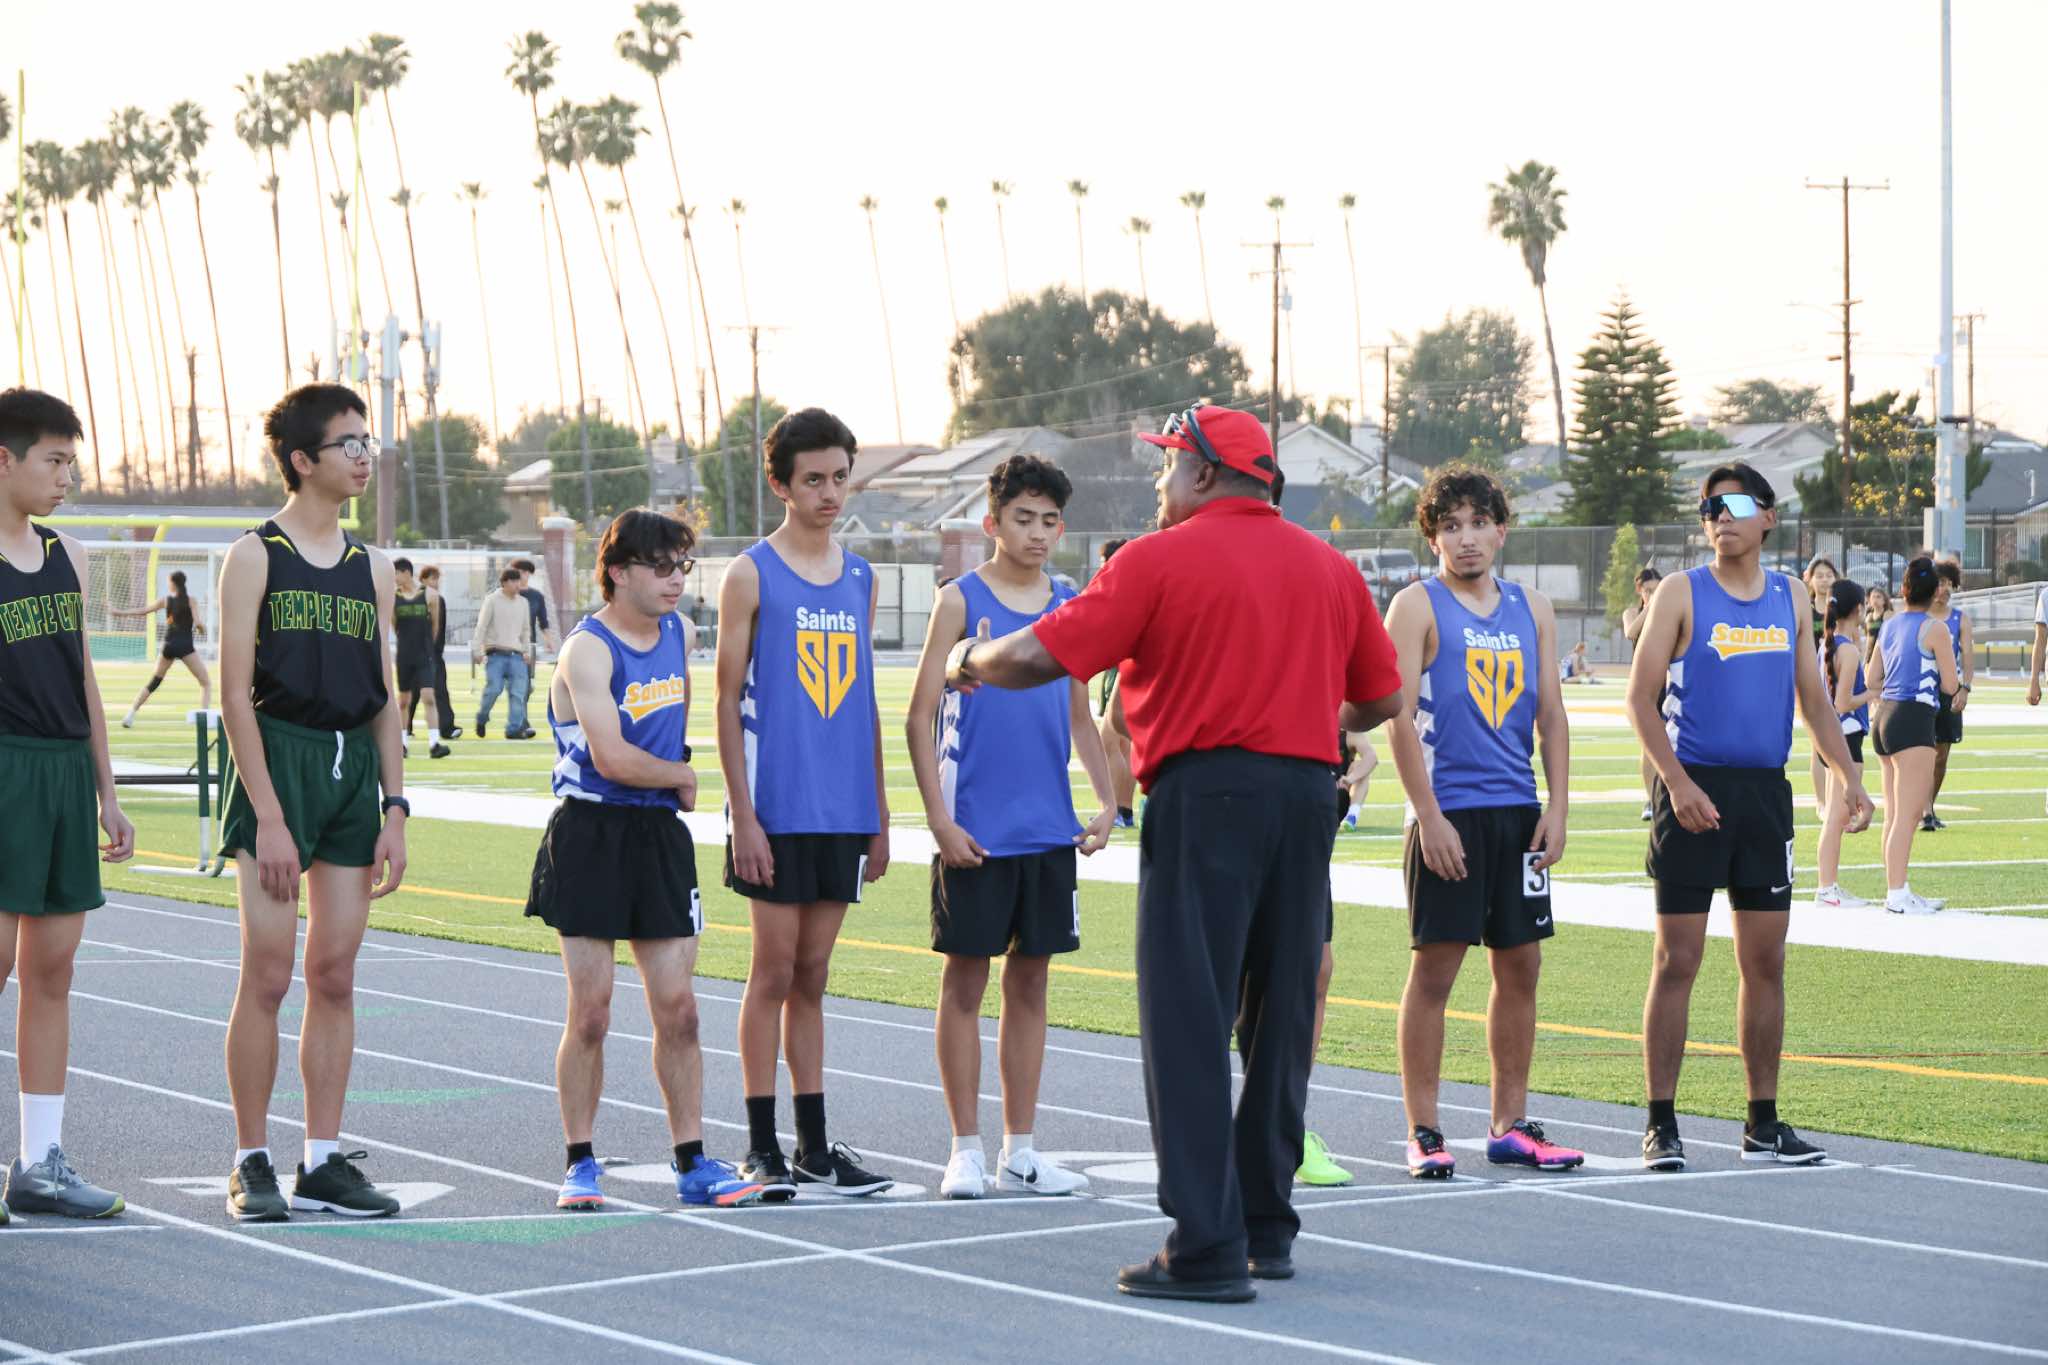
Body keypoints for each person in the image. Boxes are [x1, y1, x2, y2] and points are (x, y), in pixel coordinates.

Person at [945, 404, 1402, 1304]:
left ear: (1201, 471)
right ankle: (1265, 1225)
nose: (1160, 482)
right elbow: (1380, 698)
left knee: (1190, 1016)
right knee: (1280, 1014)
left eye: (1167, 465)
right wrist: (1308, 717)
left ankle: (1205, 1245)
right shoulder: (1330, 566)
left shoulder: (1155, 559)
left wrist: (969, 656)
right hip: (1306, 797)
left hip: (1206, 796)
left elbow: (1039, 657)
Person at [1626, 463, 1872, 1172]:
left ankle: (1762, 1122)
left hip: (1765, 796)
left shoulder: (1791, 595)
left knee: (1765, 961)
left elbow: (1813, 698)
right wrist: (1676, 784)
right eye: (1709, 508)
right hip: (1693, 792)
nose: (1719, 517)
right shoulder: (1680, 592)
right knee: (1677, 960)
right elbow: (1640, 699)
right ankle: (1661, 1122)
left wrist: (1850, 777)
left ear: (1768, 516)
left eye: (1733, 504)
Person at [527, 508, 766, 1213]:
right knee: (591, 1012)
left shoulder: (680, 633)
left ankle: (692, 1160)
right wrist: (681, 776)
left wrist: (673, 778)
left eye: (681, 566)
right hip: (591, 832)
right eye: (660, 567)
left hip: (657, 837)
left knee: (681, 1010)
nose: (675, 579)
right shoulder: (588, 650)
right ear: (617, 571)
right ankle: (579, 1161)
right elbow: (610, 757)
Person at [216, 383, 408, 1222]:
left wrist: (396, 806)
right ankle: (250, 1159)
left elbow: (385, 697)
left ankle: (322, 1160)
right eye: (348, 443)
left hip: (350, 771)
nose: (365, 455)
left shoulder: (373, 568)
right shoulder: (255, 555)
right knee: (267, 971)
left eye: (369, 441)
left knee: (333, 972)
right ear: (302, 459)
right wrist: (268, 814)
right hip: (280, 762)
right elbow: (233, 694)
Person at [905, 454, 1115, 1200]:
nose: (1036, 532)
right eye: (1022, 518)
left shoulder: (1069, 601)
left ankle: (1019, 1150)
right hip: (976, 832)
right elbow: (918, 716)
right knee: (964, 983)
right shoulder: (958, 600)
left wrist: (1107, 800)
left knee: (1031, 985)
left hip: (1047, 832)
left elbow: (1081, 715)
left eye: (1049, 520)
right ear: (992, 522)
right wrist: (939, 822)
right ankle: (964, 1149)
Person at [1383, 467, 1580, 1180]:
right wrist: (1428, 815)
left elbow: (1551, 712)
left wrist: (1557, 806)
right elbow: (1397, 715)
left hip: (1517, 813)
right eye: (1450, 526)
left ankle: (1509, 1125)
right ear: (1433, 537)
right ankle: (1424, 1130)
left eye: (1478, 523)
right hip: (1449, 813)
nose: (1466, 538)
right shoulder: (1416, 604)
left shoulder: (1534, 607)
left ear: (1501, 529)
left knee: (1521, 965)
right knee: (1435, 969)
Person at [717, 408, 894, 1200]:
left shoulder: (861, 577)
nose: (829, 492)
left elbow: (866, 703)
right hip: (777, 807)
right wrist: (743, 815)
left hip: (843, 808)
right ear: (780, 483)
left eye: (839, 477)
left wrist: (881, 814)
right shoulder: (750, 573)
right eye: (813, 479)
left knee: (815, 976)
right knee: (773, 971)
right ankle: (761, 1146)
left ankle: (815, 1147)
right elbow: (725, 701)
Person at [0, 388, 134, 1224]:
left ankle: (39, 1162)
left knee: (52, 970)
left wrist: (106, 792)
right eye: (53, 460)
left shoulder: (67, 554)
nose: (66, 477)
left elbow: (83, 678)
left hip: (60, 775)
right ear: (3, 460)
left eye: (70, 462)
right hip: (4, 767)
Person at [1865, 557, 1958, 915]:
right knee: (1909, 814)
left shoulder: (1889, 624)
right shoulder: (1936, 628)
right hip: (1913, 718)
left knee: (1894, 813)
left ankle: (1897, 889)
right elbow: (1950, 684)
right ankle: (1897, 894)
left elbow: (1872, 678)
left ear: (1903, 589)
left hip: (1884, 717)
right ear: (1935, 592)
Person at [1813, 579, 1874, 910]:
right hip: (1846, 736)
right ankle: (1826, 887)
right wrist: (1874, 692)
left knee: (1836, 815)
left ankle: (1829, 884)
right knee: (1837, 816)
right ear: (1858, 609)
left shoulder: (1830, 644)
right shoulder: (1846, 650)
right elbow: (1843, 702)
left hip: (1835, 734)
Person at [112, 569, 212, 726]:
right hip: (185, 647)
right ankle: (204, 720)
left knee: (154, 681)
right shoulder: (191, 600)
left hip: (169, 645)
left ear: (173, 584)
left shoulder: (166, 600)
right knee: (205, 682)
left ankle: (130, 715)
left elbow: (142, 611)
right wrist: (202, 629)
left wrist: (118, 612)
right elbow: (198, 623)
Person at [1923, 558, 1972, 832]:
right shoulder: (1919, 615)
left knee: (1941, 755)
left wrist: (1965, 688)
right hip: (1922, 691)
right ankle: (1922, 810)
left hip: (1948, 692)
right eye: (1939, 582)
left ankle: (1929, 806)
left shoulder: (1960, 618)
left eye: (1948, 583)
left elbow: (1968, 657)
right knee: (1922, 752)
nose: (1943, 589)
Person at [1094, 538, 1138, 828]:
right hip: (1119, 669)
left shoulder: (1124, 585)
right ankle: (1124, 811)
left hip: (1124, 669)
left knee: (1109, 740)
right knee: (1122, 744)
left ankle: (1116, 809)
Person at [390, 558, 448, 760]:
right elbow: (395, 625)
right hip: (404, 655)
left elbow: (435, 625)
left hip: (424, 654)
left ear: (406, 572)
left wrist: (427, 647)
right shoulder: (393, 597)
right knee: (403, 701)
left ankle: (434, 743)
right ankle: (402, 744)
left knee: (428, 696)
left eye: (396, 574)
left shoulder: (430, 595)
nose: (394, 578)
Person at [472, 569, 534, 740]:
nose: (517, 585)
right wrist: (477, 650)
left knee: (518, 694)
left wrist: (527, 650)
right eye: (514, 581)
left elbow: (526, 630)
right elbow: (481, 627)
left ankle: (513, 729)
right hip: (495, 654)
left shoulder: (523, 603)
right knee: (494, 689)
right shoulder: (492, 600)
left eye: (519, 581)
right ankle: (482, 717)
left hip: (517, 655)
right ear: (505, 582)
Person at [1622, 565, 1663, 821]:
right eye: (1648, 590)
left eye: (1657, 590)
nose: (1652, 594)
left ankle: (1666, 795)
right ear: (1640, 590)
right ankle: (1650, 800)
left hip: (1668, 683)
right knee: (1649, 747)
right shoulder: (1632, 612)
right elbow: (1631, 632)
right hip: (1645, 686)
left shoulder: (1668, 614)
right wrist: (1650, 606)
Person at [511, 557, 556, 739]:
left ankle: (519, 721)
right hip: (510, 646)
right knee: (519, 687)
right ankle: (522, 723)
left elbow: (543, 621)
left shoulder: (536, 596)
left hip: (529, 646)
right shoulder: (506, 595)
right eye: (519, 571)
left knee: (527, 687)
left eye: (525, 572)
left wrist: (549, 640)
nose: (522, 575)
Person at [417, 565, 460, 740]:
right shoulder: (412, 598)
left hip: (434, 655)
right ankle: (404, 727)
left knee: (440, 690)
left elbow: (440, 629)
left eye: (437, 579)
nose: (436, 582)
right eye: (433, 578)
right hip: (415, 653)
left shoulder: (440, 600)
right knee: (410, 693)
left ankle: (447, 727)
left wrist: (436, 652)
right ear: (423, 580)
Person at [1861, 582, 1894, 665]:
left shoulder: (1888, 615)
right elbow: (1868, 638)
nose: (1875, 599)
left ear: (1884, 601)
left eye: (1878, 597)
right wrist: (1865, 659)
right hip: (1871, 655)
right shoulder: (1868, 617)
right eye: (1873, 597)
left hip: (1885, 655)